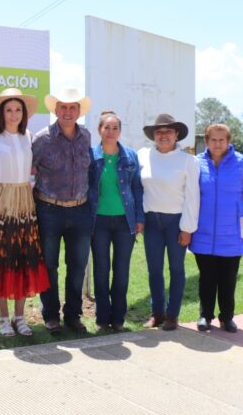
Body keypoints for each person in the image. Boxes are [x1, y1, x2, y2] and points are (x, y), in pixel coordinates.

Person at [0, 88, 50, 337]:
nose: (14, 114)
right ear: (1, 112)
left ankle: (21, 317)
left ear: (24, 113)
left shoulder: (28, 136)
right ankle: (3, 318)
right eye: (9, 109)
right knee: (1, 258)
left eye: (18, 109)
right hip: (1, 203)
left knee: (23, 258)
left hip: (24, 203)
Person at [32, 88, 93, 335]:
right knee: (49, 265)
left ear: (79, 111)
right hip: (49, 211)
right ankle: (50, 316)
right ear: (55, 110)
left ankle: (73, 315)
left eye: (72, 108)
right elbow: (28, 171)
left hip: (80, 211)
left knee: (77, 265)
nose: (68, 112)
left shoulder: (86, 136)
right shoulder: (42, 139)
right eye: (63, 107)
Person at [189, 124, 243, 333]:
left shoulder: (241, 162)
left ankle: (227, 317)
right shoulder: (196, 163)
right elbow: (191, 196)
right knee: (206, 278)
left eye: (222, 140)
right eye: (213, 140)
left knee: (228, 279)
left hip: (232, 233)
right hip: (203, 232)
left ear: (228, 142)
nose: (217, 144)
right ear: (206, 141)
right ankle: (205, 316)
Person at [138, 113, 200, 331]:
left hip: (176, 222)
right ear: (154, 135)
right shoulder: (143, 156)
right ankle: (158, 313)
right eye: (159, 131)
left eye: (168, 131)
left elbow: (193, 196)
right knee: (154, 270)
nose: (163, 135)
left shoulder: (187, 161)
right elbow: (138, 189)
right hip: (151, 221)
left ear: (176, 134)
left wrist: (187, 228)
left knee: (176, 269)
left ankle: (173, 314)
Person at [88, 111, 144, 333]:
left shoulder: (130, 155)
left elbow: (137, 188)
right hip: (98, 222)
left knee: (121, 270)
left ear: (120, 131)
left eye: (115, 128)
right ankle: (103, 318)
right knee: (101, 270)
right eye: (106, 128)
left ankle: (118, 318)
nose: (110, 132)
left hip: (124, 222)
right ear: (99, 130)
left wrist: (140, 218)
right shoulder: (91, 155)